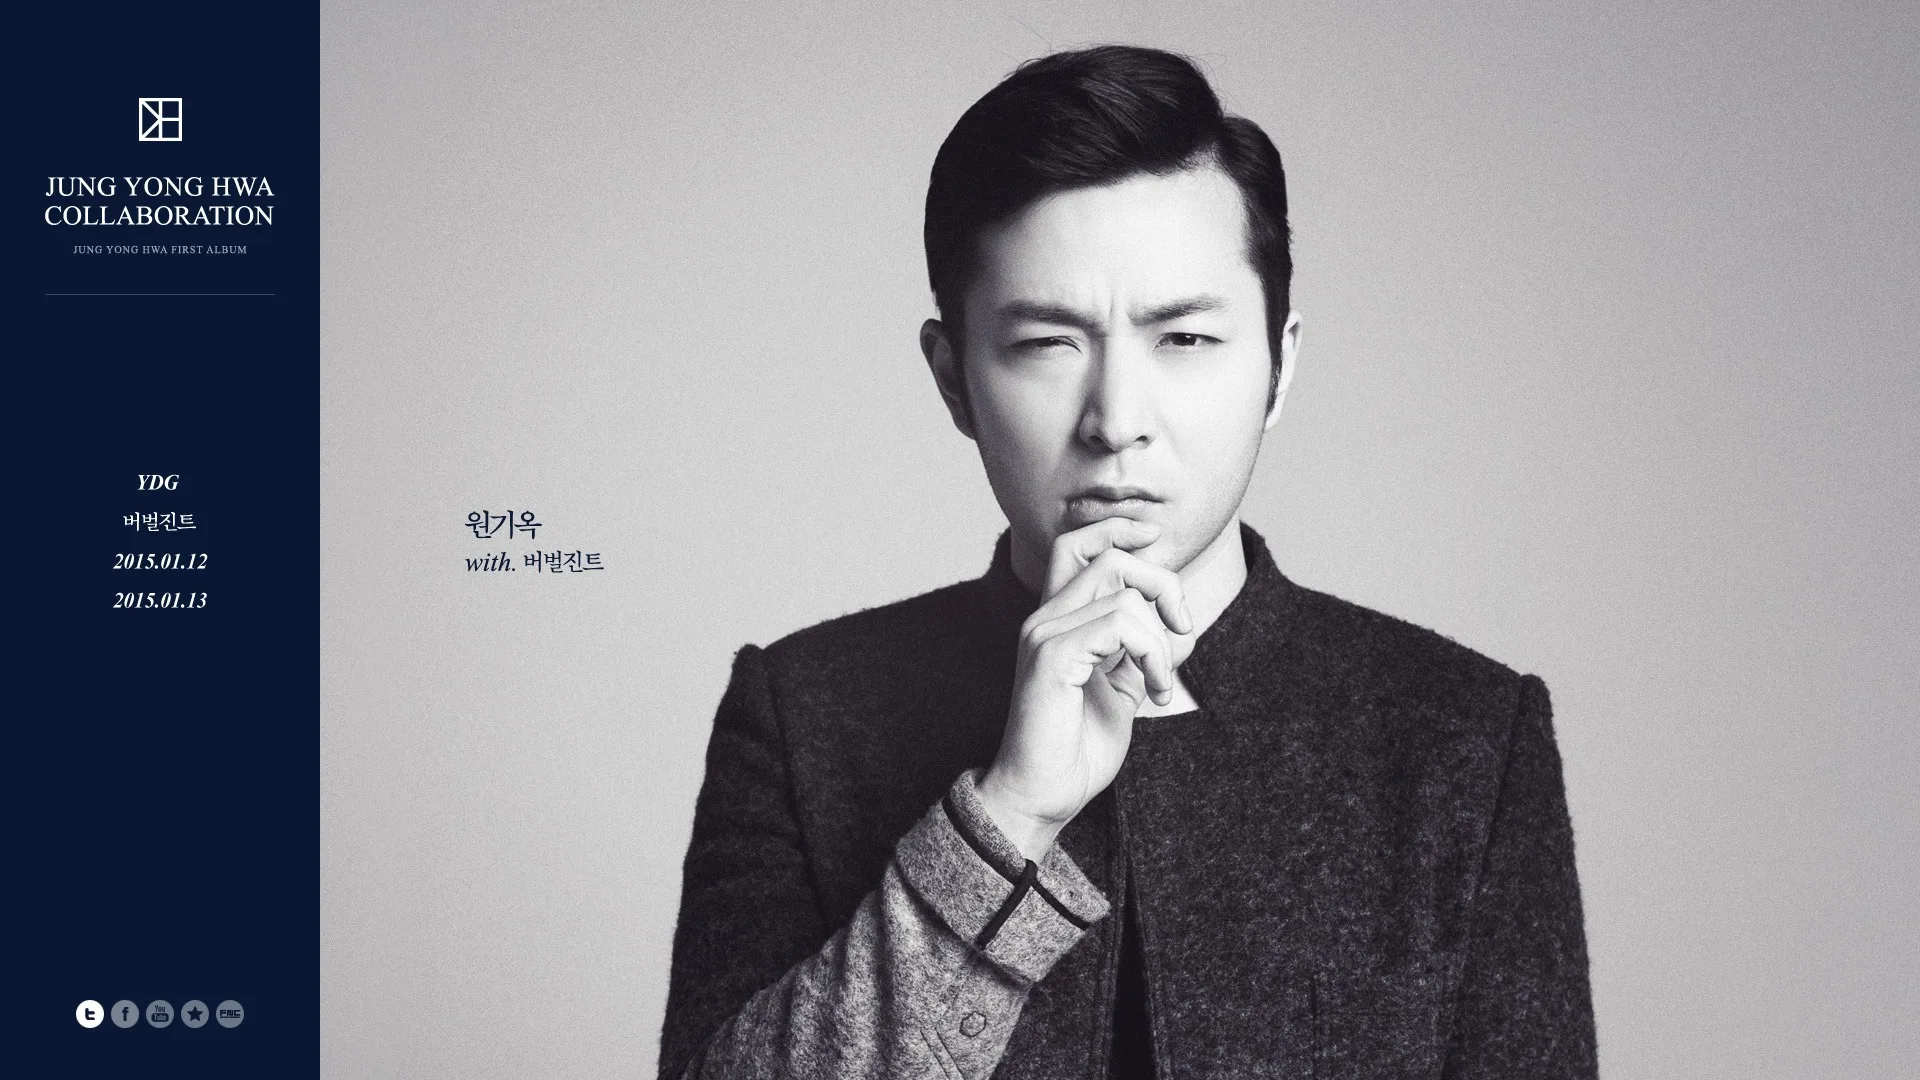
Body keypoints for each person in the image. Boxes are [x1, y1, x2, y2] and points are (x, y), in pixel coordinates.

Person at [659, 44, 1596, 1080]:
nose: (1115, 420)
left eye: (1184, 340)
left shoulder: (1465, 739)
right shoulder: (802, 716)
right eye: (1046, 344)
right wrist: (1007, 817)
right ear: (954, 379)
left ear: (1279, 365)